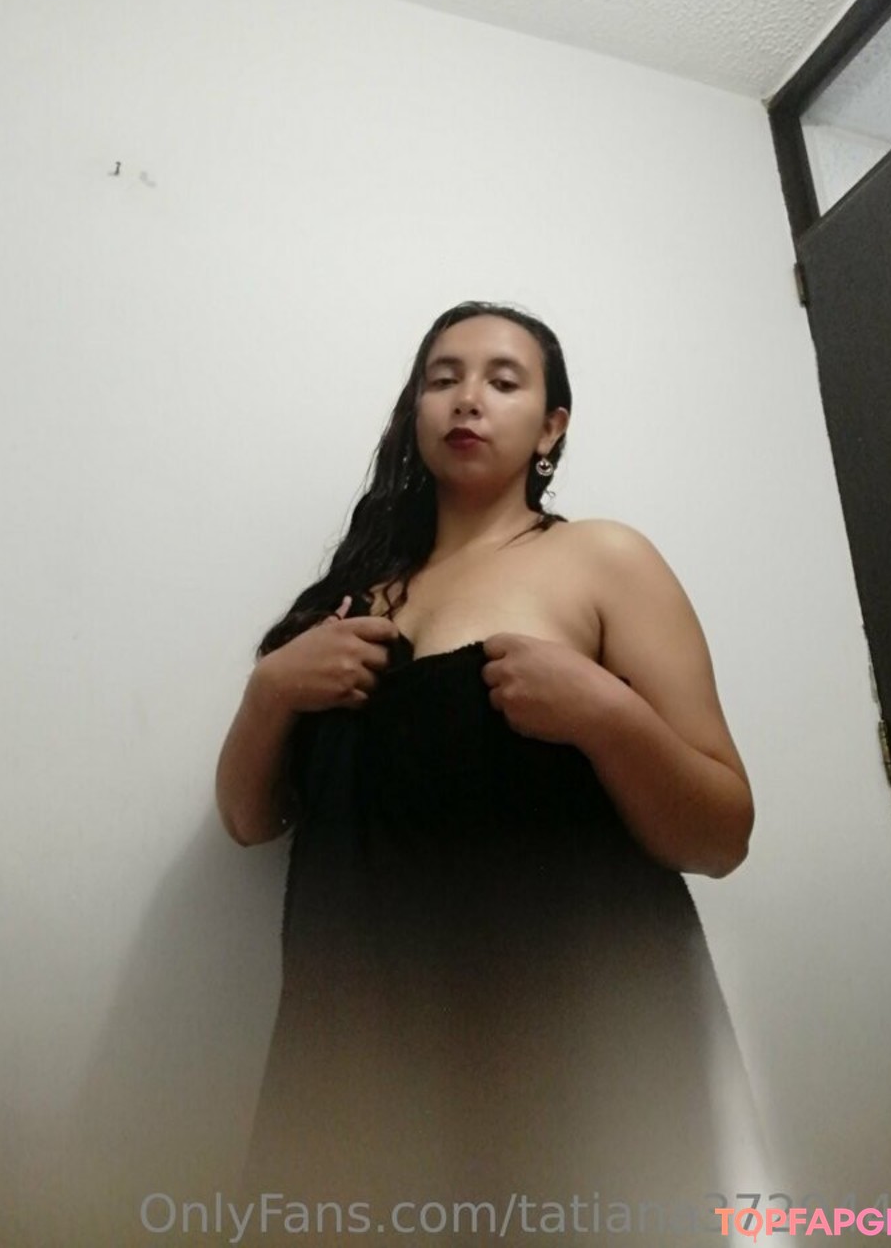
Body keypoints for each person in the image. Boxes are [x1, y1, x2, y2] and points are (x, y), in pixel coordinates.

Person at [216, 301, 755, 1246]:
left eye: (504, 380)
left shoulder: (601, 558)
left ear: (551, 427)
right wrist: (271, 691)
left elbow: (723, 833)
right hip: (359, 1061)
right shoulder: (352, 599)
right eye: (443, 378)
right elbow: (250, 820)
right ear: (416, 411)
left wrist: (604, 712)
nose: (468, 398)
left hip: (569, 1055)